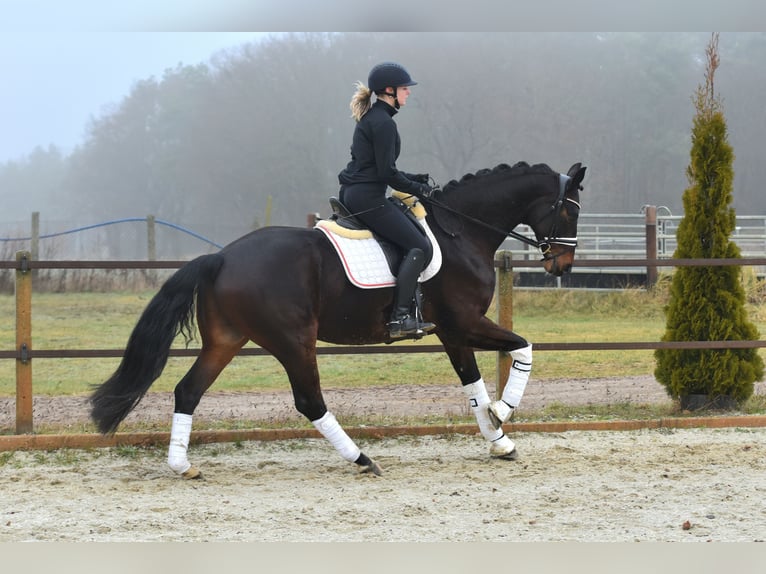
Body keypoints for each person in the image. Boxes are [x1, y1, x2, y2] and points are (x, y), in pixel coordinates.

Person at [338, 62, 436, 339]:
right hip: (367, 197)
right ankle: (400, 318)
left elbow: (377, 167)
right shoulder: (384, 124)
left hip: (357, 192)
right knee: (418, 244)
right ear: (390, 91)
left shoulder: (373, 118)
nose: (409, 93)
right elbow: (386, 173)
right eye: (405, 89)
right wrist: (418, 188)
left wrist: (415, 177)